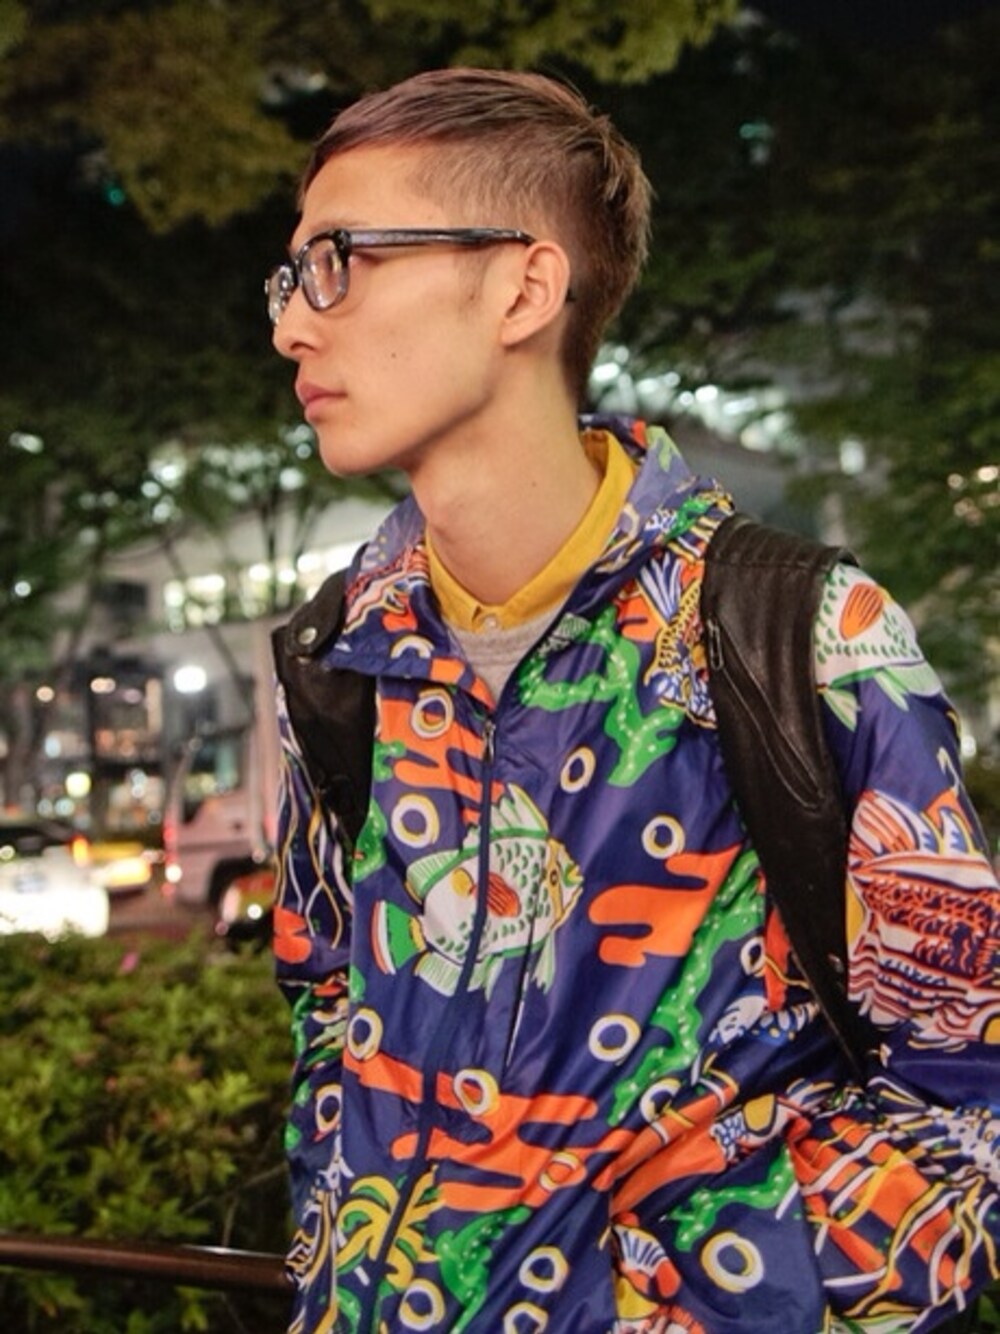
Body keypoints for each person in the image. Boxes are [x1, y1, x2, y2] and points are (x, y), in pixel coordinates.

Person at [266, 67, 1000, 1334]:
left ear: (523, 289)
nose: (292, 324)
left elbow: (966, 1089)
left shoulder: (796, 633)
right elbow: (326, 1003)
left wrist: (712, 1298)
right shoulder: (338, 654)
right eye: (289, 276)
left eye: (341, 261)